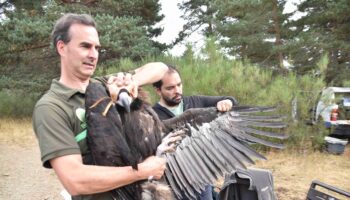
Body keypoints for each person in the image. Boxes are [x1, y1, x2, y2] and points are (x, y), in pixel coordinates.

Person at [32, 13, 169, 200]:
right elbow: (75, 180)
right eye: (85, 46)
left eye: (97, 48)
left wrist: (131, 83)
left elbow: (160, 68)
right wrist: (141, 172)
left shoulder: (105, 85)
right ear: (62, 48)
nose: (93, 55)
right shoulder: (52, 107)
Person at [152, 65, 239, 200]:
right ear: (158, 90)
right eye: (170, 88)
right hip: (175, 181)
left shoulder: (195, 101)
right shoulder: (152, 116)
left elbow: (230, 99)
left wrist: (227, 102)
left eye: (179, 85)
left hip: (202, 176)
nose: (177, 90)